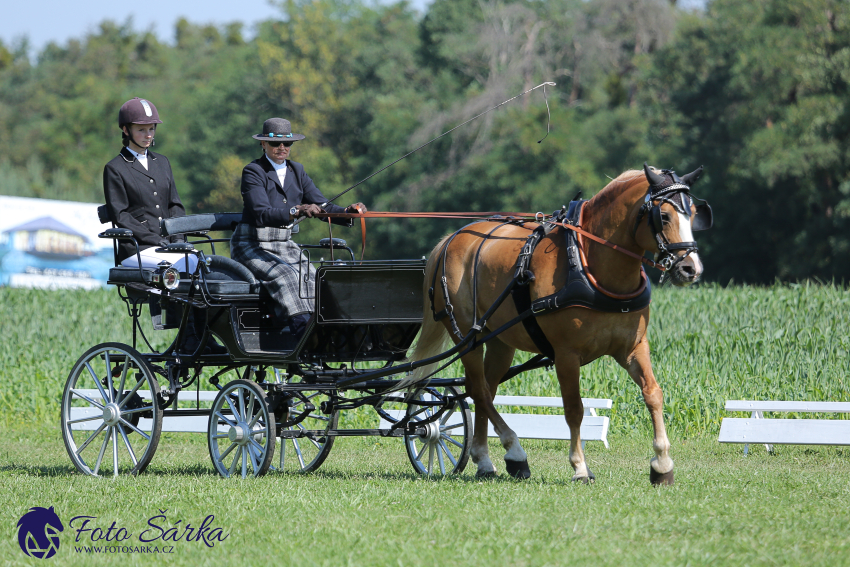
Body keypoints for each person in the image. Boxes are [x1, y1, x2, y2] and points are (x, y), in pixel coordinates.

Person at [103, 97, 226, 354]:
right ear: (126, 130)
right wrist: (155, 239)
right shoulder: (115, 169)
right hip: (136, 250)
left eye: (151, 129)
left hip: (168, 246)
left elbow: (175, 206)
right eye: (141, 129)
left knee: (206, 266)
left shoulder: (163, 162)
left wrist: (176, 237)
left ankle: (198, 336)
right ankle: (192, 338)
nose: (148, 135)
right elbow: (121, 215)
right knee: (182, 266)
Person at [231, 117, 366, 336]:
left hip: (283, 243)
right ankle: (303, 332)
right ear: (263, 144)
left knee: (311, 275)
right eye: (275, 143)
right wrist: (297, 210)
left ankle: (325, 331)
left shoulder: (297, 171)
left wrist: (347, 213)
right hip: (252, 243)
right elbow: (261, 213)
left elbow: (323, 206)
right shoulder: (253, 171)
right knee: (287, 276)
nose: (282, 148)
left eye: (288, 143)